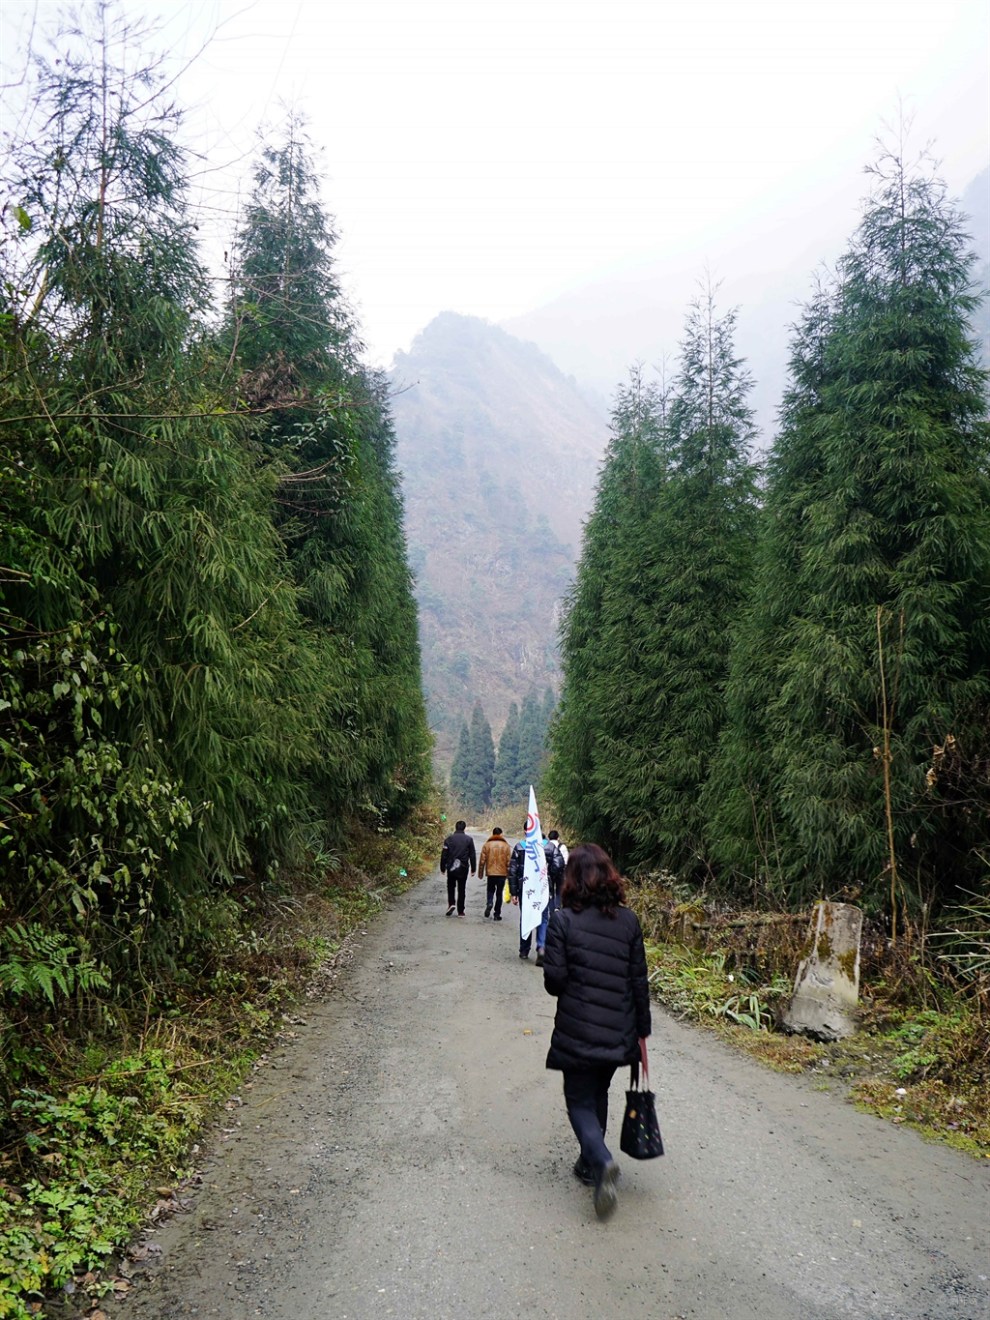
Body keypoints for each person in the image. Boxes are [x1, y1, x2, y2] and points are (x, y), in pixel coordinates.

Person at [542, 843, 652, 1221]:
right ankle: (589, 1164)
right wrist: (642, 1030)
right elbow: (639, 980)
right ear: (609, 877)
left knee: (578, 1100)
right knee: (599, 1091)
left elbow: (554, 982)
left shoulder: (562, 921)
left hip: (577, 1027)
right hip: (618, 1029)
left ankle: (601, 1159)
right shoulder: (629, 921)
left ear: (571, 879)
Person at [508, 825, 564, 964]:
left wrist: (513, 892)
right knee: (543, 918)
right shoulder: (549, 847)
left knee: (526, 917)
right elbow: (559, 865)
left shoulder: (520, 846)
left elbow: (513, 871)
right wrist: (549, 877)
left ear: (525, 831)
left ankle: (524, 950)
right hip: (543, 889)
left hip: (525, 889)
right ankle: (541, 948)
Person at [439, 820, 476, 917]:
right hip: (463, 867)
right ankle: (461, 911)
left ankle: (451, 904)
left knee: (451, 886)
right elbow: (472, 855)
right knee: (462, 889)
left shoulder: (449, 839)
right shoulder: (469, 839)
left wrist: (443, 868)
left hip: (451, 867)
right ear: (464, 828)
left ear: (455, 827)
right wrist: (473, 868)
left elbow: (444, 855)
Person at [478, 826, 511, 920]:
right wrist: (509, 874)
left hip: (491, 873)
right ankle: (497, 914)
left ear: (492, 834)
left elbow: (482, 861)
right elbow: (509, 862)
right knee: (499, 893)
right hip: (502, 873)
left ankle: (489, 903)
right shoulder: (506, 846)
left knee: (490, 890)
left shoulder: (487, 845)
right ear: (501, 834)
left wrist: (480, 873)